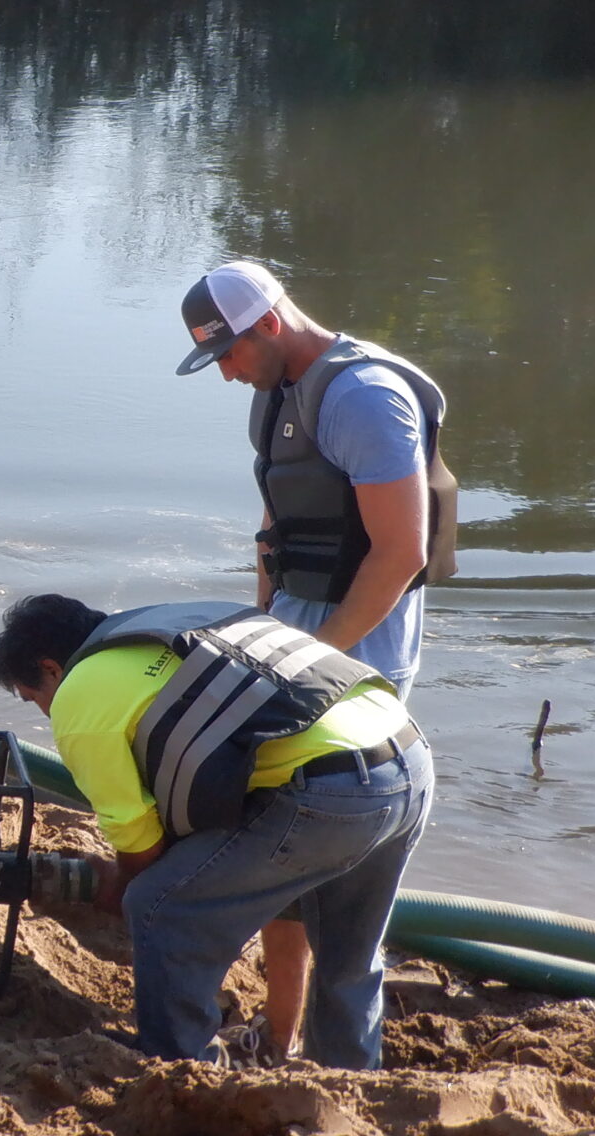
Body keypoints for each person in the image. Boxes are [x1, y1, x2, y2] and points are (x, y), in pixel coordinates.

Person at [176, 257, 454, 1064]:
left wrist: (318, 662)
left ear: (268, 323)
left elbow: (401, 550)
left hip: (359, 665)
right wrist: (260, 633)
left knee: (344, 879)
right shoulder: (274, 400)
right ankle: (283, 1036)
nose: (226, 374)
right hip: (294, 650)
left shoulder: (363, 399)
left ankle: (347, 1066)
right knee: (280, 849)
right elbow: (275, 526)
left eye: (228, 353)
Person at [0, 593, 433, 1069]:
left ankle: (180, 1065)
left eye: (33, 696)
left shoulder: (80, 693)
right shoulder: (175, 618)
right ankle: (351, 1080)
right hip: (406, 754)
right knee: (349, 956)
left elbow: (140, 848)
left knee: (159, 906)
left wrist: (114, 887)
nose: (42, 711)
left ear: (51, 668)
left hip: (328, 790)